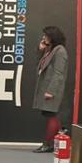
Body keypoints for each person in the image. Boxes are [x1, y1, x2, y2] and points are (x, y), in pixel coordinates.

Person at [33, 25, 68, 153]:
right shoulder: (50, 50)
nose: (43, 37)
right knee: (50, 115)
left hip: (52, 89)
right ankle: (54, 143)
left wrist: (51, 91)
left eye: (46, 36)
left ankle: (47, 144)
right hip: (46, 88)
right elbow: (39, 65)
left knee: (51, 115)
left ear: (53, 37)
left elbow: (59, 73)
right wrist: (40, 50)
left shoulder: (60, 51)